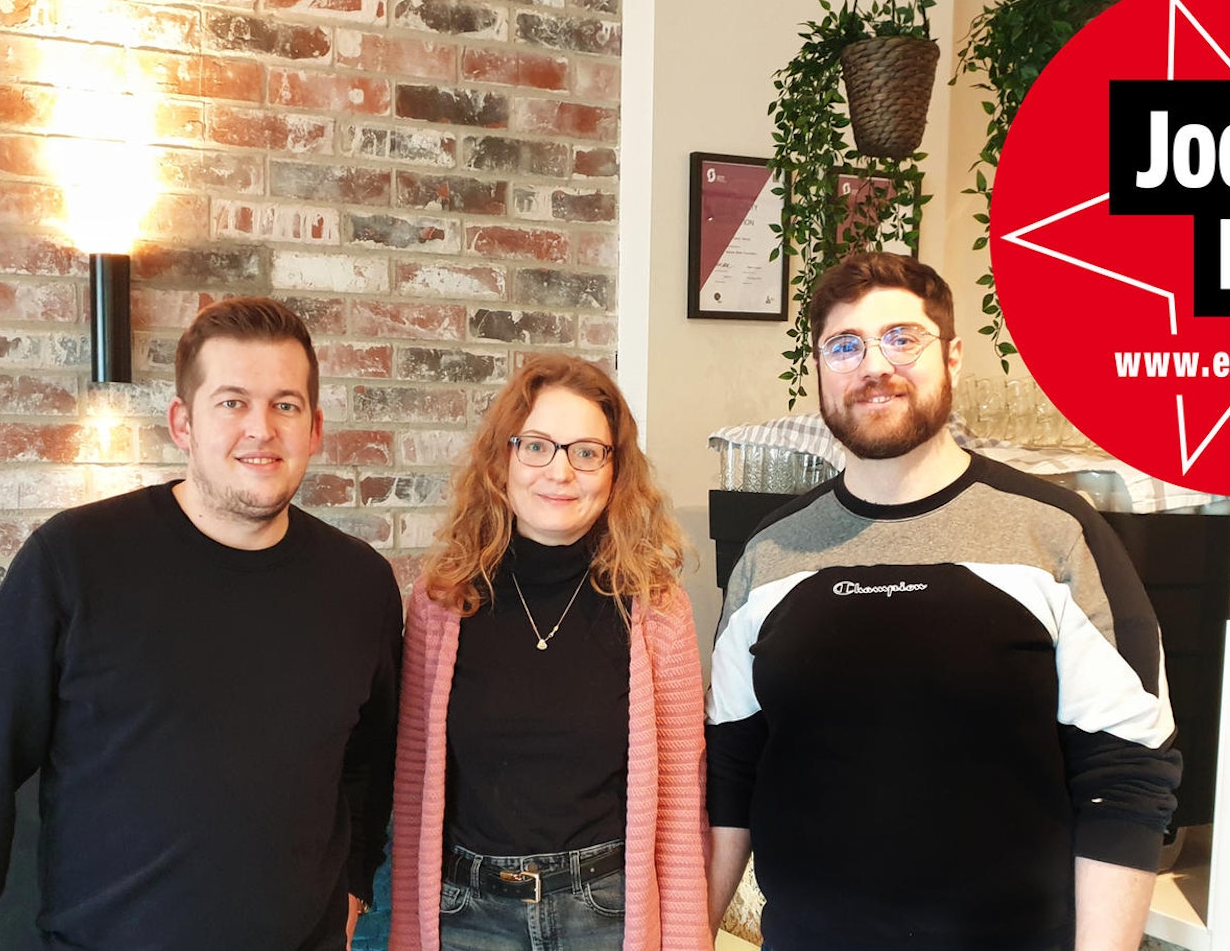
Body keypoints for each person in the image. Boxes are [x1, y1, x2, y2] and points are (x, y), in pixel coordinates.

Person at [704, 252, 1181, 951]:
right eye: (845, 345)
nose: (873, 366)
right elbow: (729, 772)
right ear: (820, 371)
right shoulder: (770, 553)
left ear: (953, 358)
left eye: (902, 338)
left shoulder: (1055, 533)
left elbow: (1129, 770)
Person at [0, 297, 402, 951]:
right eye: (231, 402)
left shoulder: (360, 582)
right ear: (182, 423)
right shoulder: (77, 560)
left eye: (285, 404)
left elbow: (368, 760)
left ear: (314, 429)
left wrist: (356, 881)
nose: (261, 428)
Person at [389, 355, 711, 951]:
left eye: (587, 452)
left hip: (606, 916)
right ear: (503, 459)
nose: (560, 472)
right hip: (468, 918)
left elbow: (680, 803)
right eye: (537, 446)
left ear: (616, 471)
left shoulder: (655, 608)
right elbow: (412, 790)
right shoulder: (442, 603)